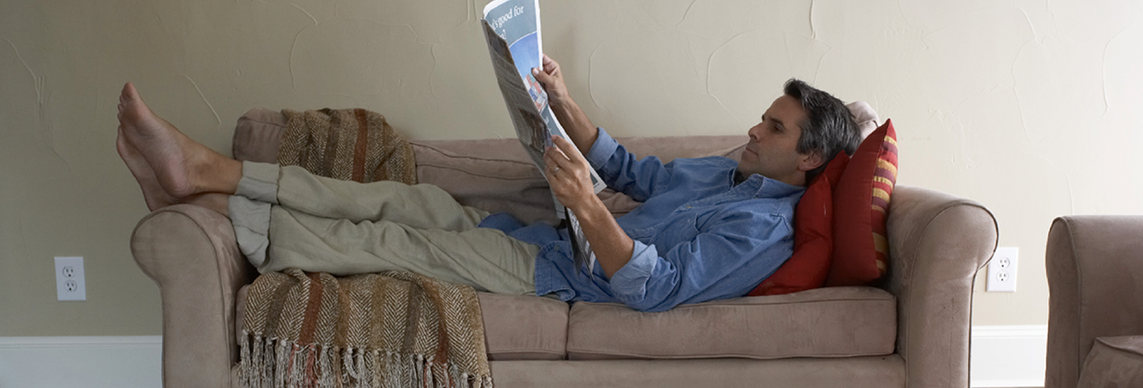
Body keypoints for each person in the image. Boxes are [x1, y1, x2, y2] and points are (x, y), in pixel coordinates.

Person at [115, 55, 860, 313]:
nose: (755, 131)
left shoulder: (762, 232)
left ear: (810, 162)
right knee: (407, 199)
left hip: (556, 273)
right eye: (765, 118)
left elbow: (656, 290)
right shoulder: (728, 168)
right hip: (539, 236)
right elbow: (638, 173)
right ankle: (211, 170)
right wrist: (563, 106)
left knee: (390, 240)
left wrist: (584, 209)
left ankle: (217, 208)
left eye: (774, 129)